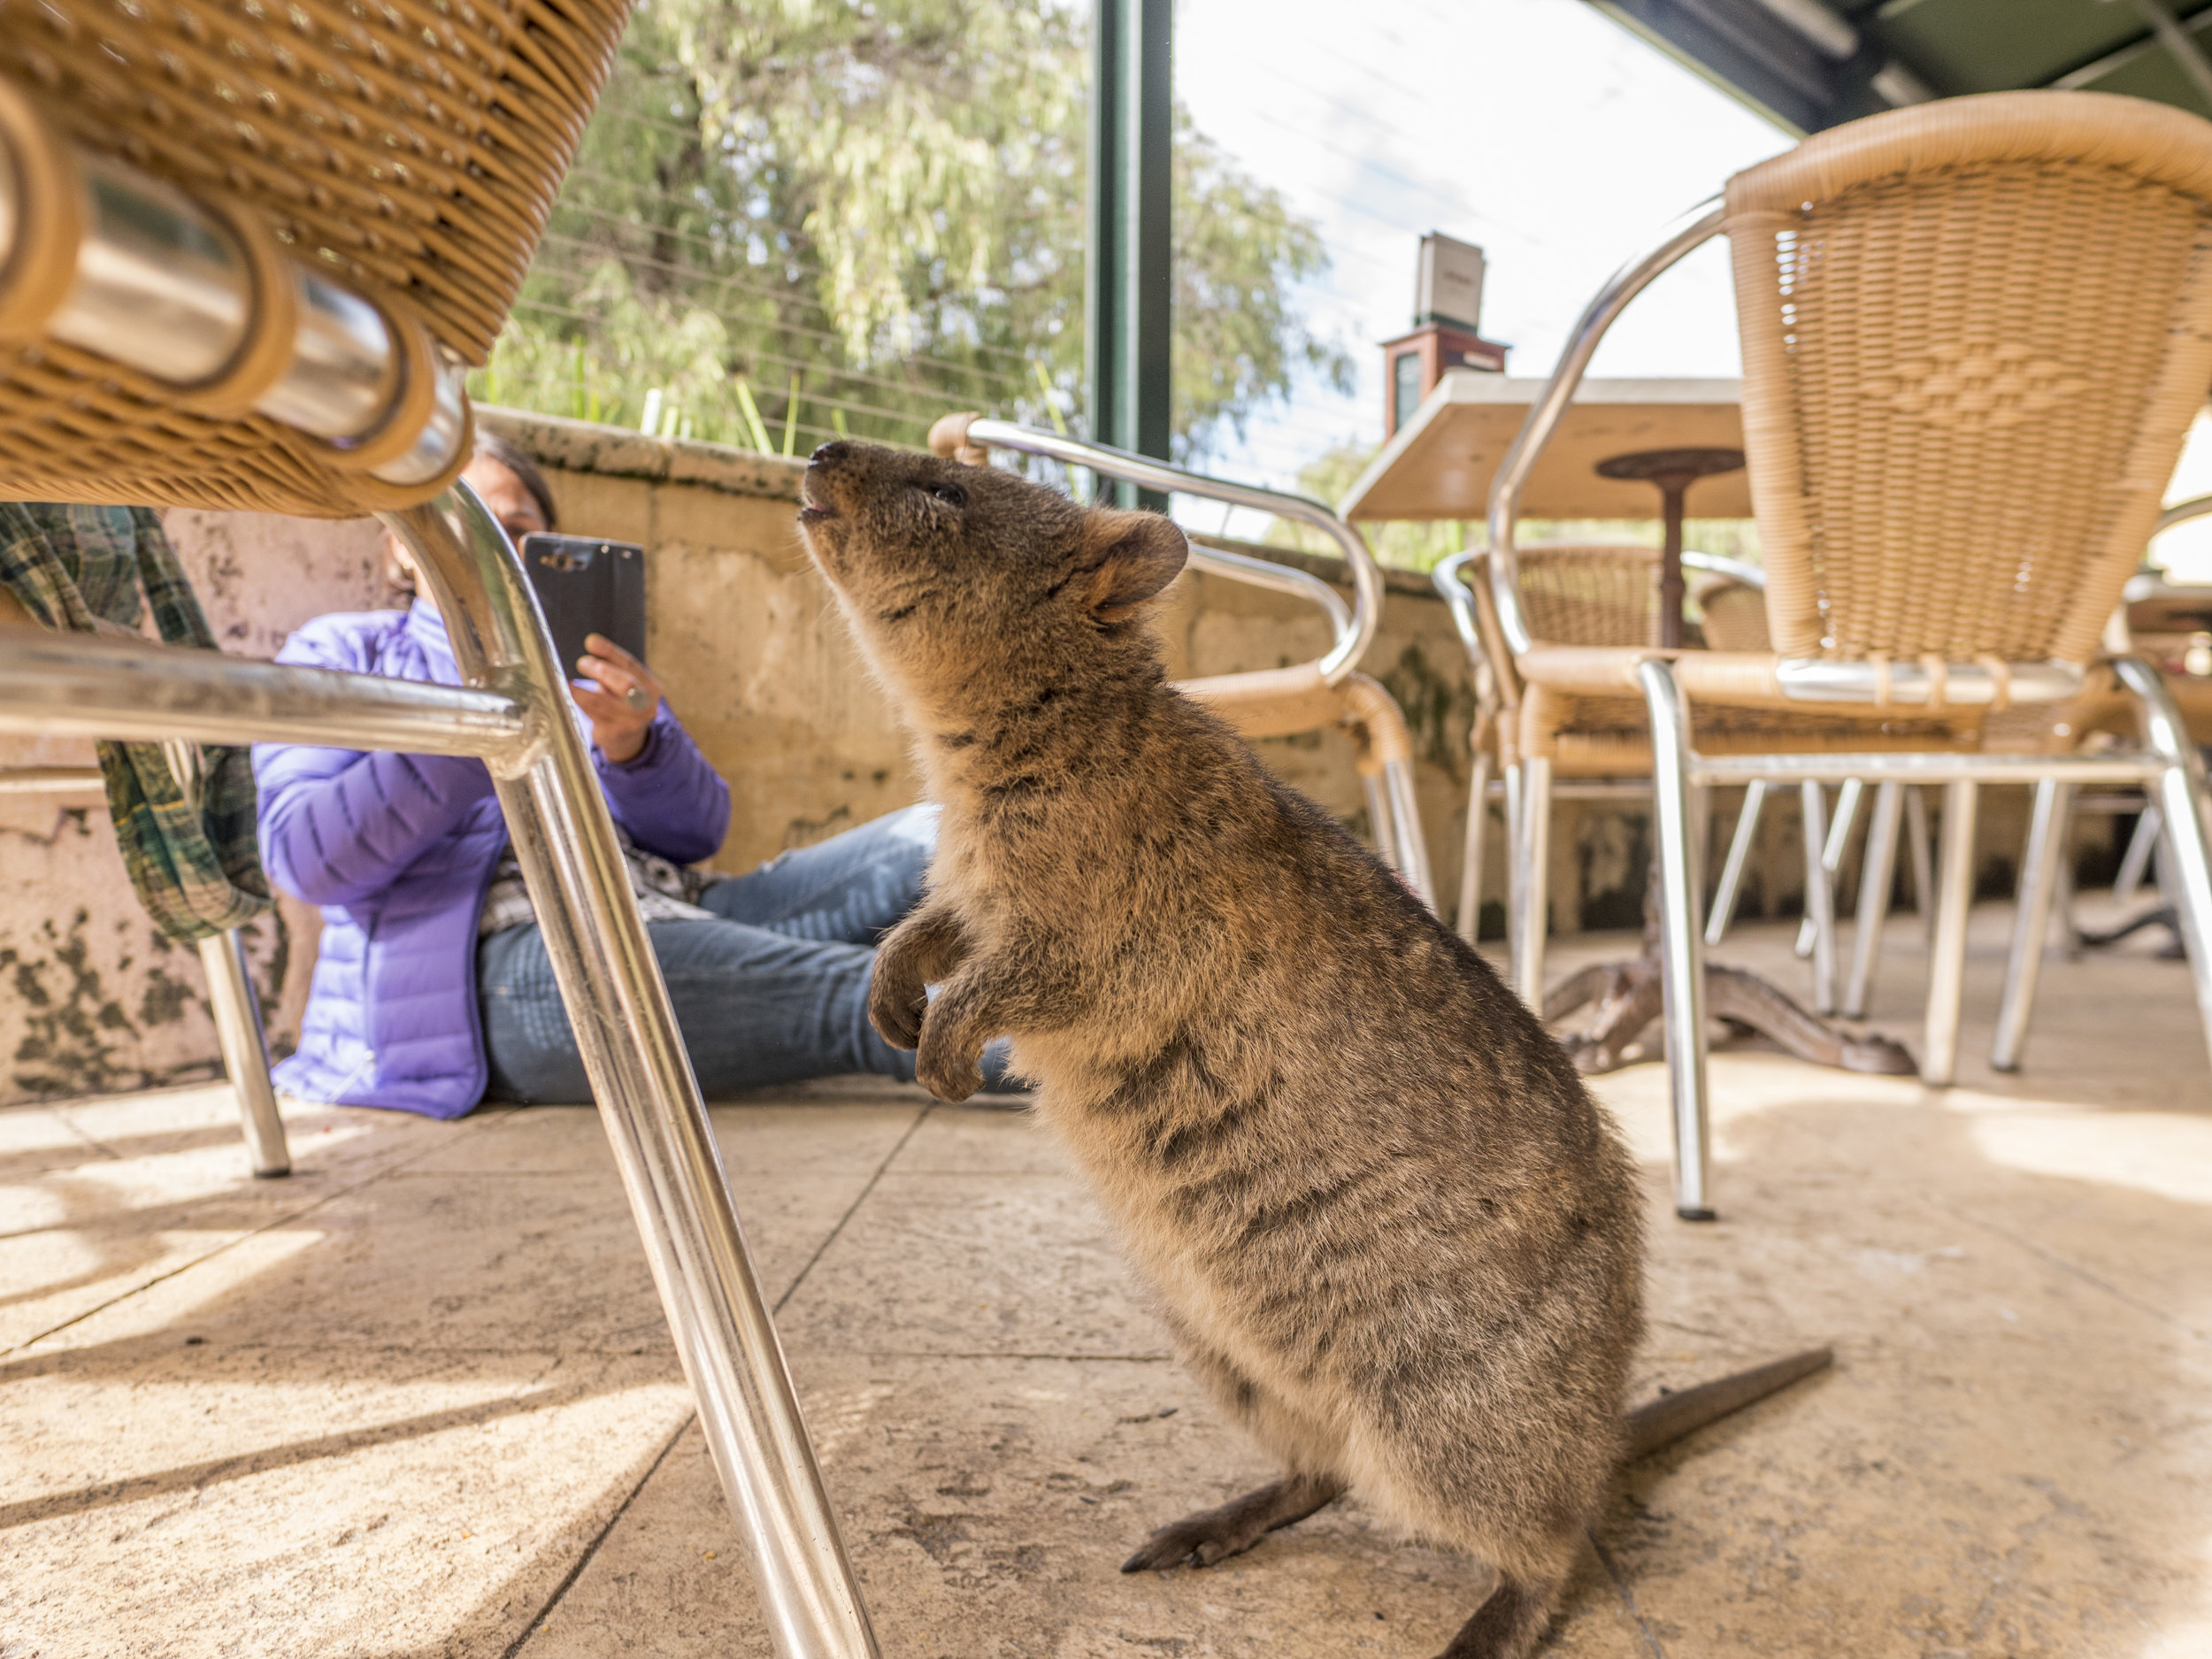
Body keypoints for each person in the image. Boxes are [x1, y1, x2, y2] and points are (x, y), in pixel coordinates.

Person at [255, 434, 1002, 1118]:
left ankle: (1092, 945)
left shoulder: (585, 668)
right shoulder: (341, 650)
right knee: (855, 994)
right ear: (401, 550)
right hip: (504, 965)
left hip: (678, 908)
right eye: (462, 524)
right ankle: (1086, 1042)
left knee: (946, 833)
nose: (492, 550)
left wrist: (636, 744)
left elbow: (700, 831)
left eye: (516, 530)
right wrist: (476, 724)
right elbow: (303, 856)